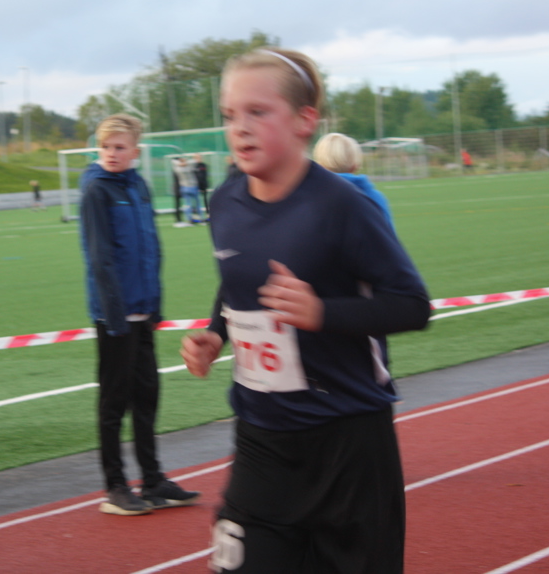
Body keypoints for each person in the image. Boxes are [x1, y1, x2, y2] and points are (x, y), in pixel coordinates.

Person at [180, 48, 429, 573]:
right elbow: (237, 280)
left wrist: (322, 314)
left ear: (304, 121)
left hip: (348, 445)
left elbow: (412, 306)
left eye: (258, 112)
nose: (240, 128)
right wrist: (216, 332)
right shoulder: (224, 202)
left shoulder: (343, 206)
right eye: (230, 115)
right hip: (261, 441)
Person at [79, 114, 200, 516]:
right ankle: (115, 486)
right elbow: (100, 258)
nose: (112, 154)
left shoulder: (139, 186)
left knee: (147, 396)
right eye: (105, 147)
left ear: (135, 151)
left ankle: (152, 479)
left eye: (119, 147)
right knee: (114, 402)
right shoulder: (96, 190)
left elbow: (152, 246)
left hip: (144, 310)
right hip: (115, 316)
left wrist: (155, 302)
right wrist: (115, 314)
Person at [313, 132, 394, 230]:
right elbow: (388, 237)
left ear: (320, 164)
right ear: (355, 166)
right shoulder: (375, 199)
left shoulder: (309, 199)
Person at [172, 157, 203, 224]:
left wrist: (182, 162)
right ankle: (199, 218)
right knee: (196, 203)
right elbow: (195, 161)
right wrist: (185, 161)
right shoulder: (189, 166)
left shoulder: (176, 168)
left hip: (184, 187)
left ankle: (189, 219)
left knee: (188, 204)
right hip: (193, 186)